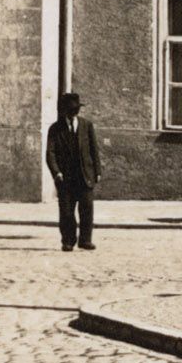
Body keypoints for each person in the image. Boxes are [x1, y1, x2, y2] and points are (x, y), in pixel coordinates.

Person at [45, 90, 101, 251]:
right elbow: (50, 153)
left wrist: (97, 171)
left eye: (75, 110)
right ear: (64, 111)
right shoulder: (55, 129)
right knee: (67, 211)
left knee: (87, 209)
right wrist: (57, 172)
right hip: (66, 178)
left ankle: (85, 240)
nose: (73, 114)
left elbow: (93, 150)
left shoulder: (86, 125)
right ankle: (68, 241)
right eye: (70, 111)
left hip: (85, 175)